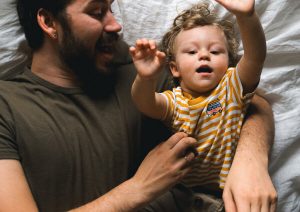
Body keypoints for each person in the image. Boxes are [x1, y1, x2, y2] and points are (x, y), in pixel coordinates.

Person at [0, 0, 276, 211]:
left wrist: (251, 160)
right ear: (49, 22)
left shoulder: (140, 71)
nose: (115, 25)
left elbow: (249, 99)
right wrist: (140, 188)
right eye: (97, 12)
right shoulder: (8, 105)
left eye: (111, 9)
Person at [130, 0, 274, 210]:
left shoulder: (231, 86)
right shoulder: (176, 101)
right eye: (191, 52)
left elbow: (255, 57)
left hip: (225, 195)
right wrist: (145, 78)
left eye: (215, 52)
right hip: (178, 192)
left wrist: (246, 17)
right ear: (174, 69)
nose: (204, 55)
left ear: (228, 63)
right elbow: (146, 103)